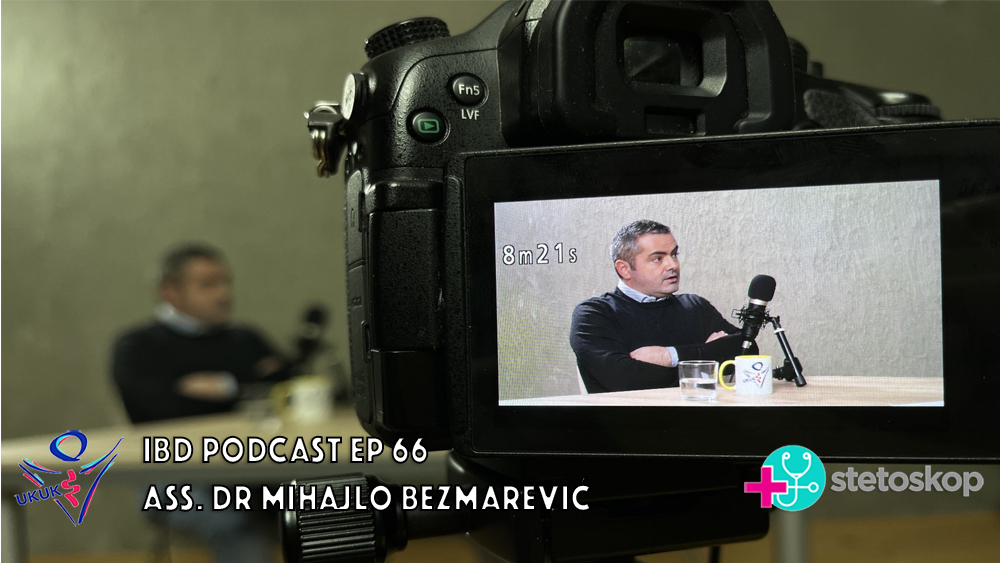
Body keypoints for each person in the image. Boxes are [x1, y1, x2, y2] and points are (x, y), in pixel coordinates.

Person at [111, 243, 288, 563]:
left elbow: (287, 389)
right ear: (170, 292)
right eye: (208, 284)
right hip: (174, 474)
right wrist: (248, 384)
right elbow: (164, 411)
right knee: (231, 521)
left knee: (335, 500)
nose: (224, 293)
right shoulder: (137, 347)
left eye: (226, 282)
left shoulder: (245, 338)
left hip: (255, 464)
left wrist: (225, 386)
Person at [570, 220, 750, 393]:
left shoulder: (695, 306)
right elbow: (626, 380)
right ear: (624, 269)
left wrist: (669, 356)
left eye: (674, 254)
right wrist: (708, 358)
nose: (673, 265)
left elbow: (748, 351)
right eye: (657, 258)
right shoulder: (594, 315)